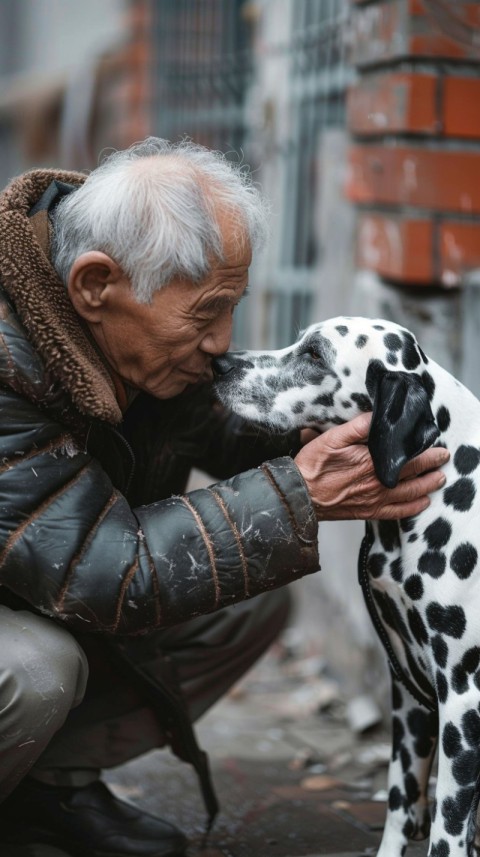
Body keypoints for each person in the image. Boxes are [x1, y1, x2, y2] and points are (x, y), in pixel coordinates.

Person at [0, 137, 448, 857]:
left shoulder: (114, 325)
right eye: (207, 313)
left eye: (232, 307)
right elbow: (97, 569)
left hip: (37, 584)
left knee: (251, 597)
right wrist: (299, 495)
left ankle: (45, 787)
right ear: (95, 285)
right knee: (36, 667)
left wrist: (324, 425)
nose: (223, 341)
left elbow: (220, 430)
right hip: (36, 619)